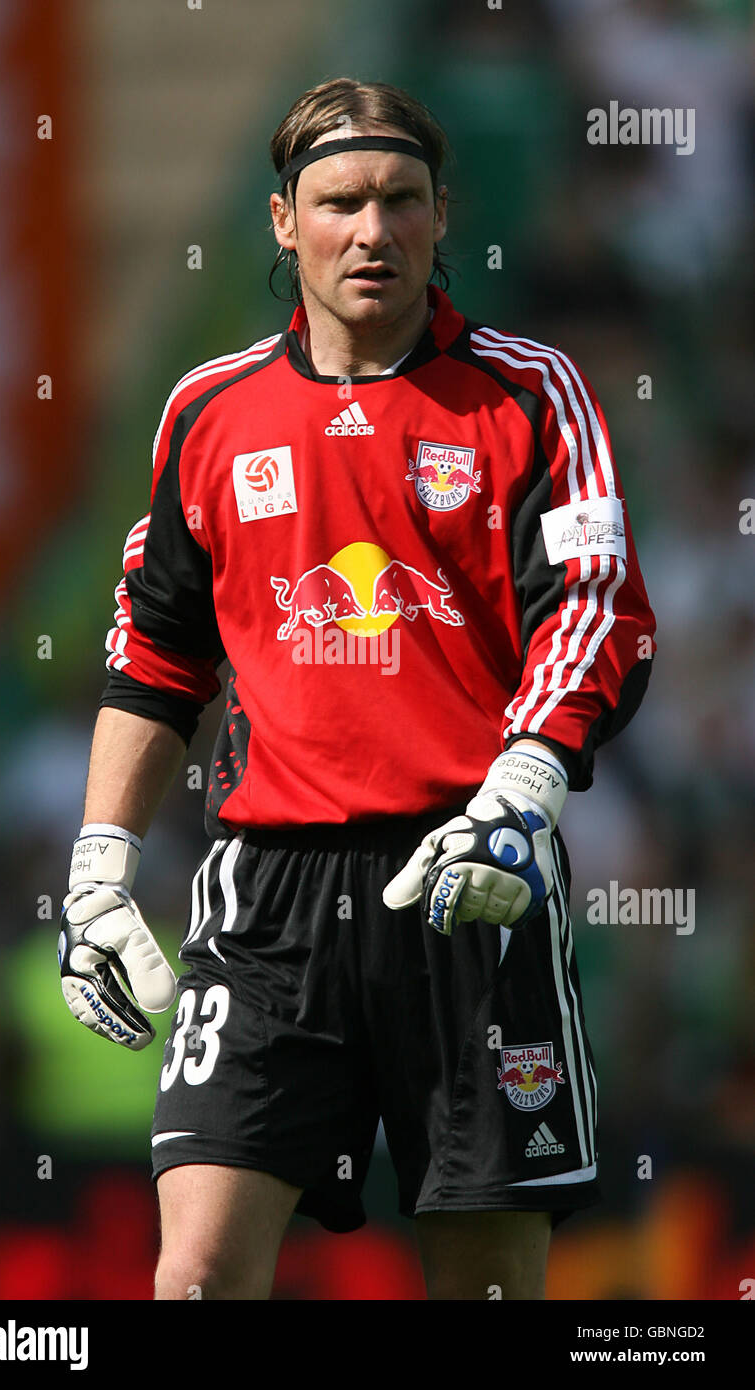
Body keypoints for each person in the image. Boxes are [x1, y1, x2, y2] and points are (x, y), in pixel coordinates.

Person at [58, 78, 656, 1300]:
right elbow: (154, 656)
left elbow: (596, 612)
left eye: (398, 200)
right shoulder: (208, 412)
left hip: (473, 884)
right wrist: (99, 864)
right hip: (264, 906)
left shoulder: (533, 392)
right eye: (338, 201)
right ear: (283, 221)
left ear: (443, 217)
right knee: (195, 1275)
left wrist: (524, 789)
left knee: (486, 1288)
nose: (370, 230)